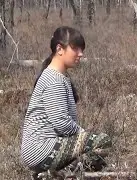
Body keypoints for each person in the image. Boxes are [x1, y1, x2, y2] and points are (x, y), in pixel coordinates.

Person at [20, 26, 112, 179]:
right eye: (75, 48)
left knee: (92, 144)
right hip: (41, 149)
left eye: (81, 49)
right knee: (102, 141)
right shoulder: (53, 79)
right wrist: (84, 135)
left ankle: (53, 175)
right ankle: (59, 176)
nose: (80, 54)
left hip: (43, 149)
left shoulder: (59, 77)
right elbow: (61, 123)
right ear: (59, 49)